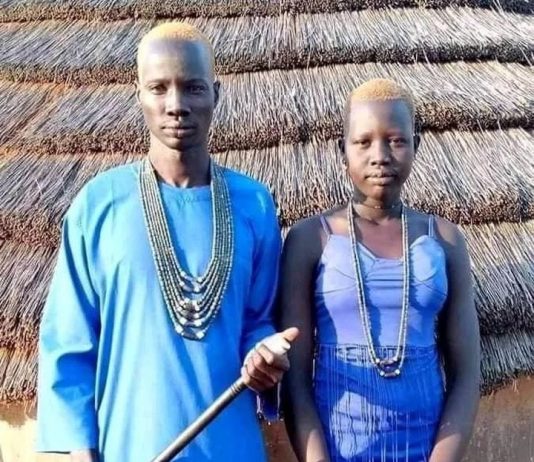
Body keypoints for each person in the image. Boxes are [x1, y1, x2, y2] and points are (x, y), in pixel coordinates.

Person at [37, 22, 298, 462]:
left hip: (230, 448)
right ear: (138, 94)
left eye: (193, 88)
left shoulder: (253, 204)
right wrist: (83, 453)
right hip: (131, 447)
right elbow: (69, 342)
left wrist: (264, 357)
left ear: (216, 94)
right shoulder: (99, 204)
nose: (176, 105)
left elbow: (258, 320)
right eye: (159, 88)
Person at [279, 79, 480, 462]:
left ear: (416, 145)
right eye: (363, 142)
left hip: (426, 449)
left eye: (396, 141)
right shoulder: (310, 239)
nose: (380, 156)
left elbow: (467, 373)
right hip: (338, 448)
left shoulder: (444, 239)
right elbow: (296, 379)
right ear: (342, 149)